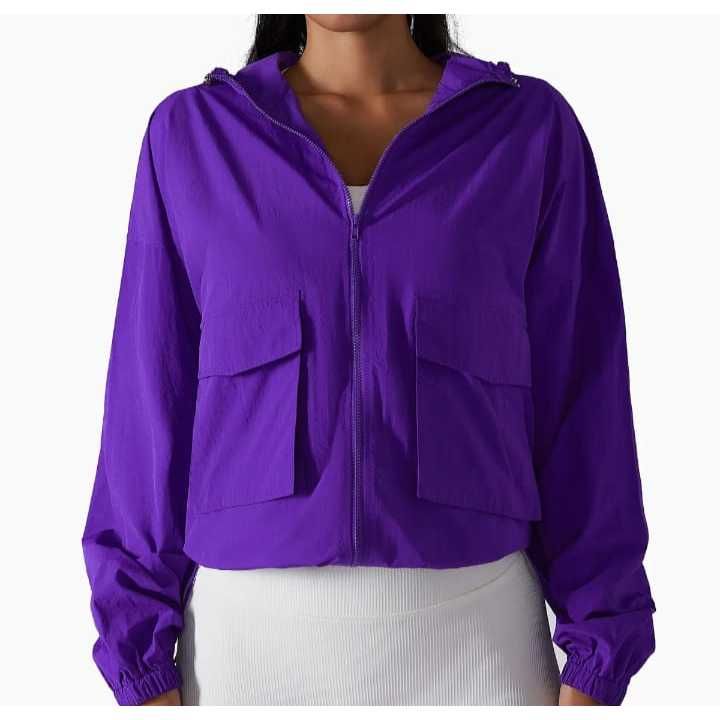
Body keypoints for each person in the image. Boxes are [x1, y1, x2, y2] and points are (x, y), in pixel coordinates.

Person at [82, 14, 656, 706]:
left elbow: (585, 405)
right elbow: (148, 411)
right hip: (244, 660)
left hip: (479, 651)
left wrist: (599, 658)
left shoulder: (527, 132)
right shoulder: (193, 137)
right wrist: (141, 667)